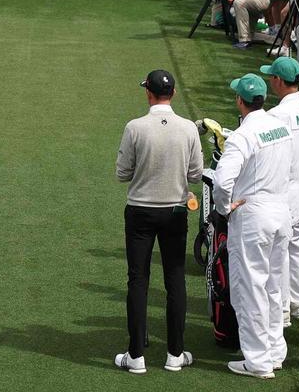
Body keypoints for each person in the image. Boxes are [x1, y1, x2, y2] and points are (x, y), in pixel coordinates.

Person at [113, 70, 203, 374]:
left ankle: (135, 355)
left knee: (138, 279)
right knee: (175, 279)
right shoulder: (189, 128)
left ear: (148, 93)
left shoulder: (135, 127)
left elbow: (122, 173)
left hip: (140, 211)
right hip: (175, 211)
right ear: (173, 94)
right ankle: (175, 354)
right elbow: (195, 174)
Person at [212, 73, 293, 379]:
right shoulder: (279, 127)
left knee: (249, 289)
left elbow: (222, 181)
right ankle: (273, 353)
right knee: (273, 286)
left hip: (253, 215)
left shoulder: (243, 135)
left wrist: (224, 208)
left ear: (239, 101)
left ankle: (258, 361)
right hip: (280, 210)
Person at [260, 57, 299, 324]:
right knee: (297, 245)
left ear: (279, 81)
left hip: (286, 191)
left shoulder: (278, 115)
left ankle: (283, 309)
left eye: (271, 77)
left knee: (280, 250)